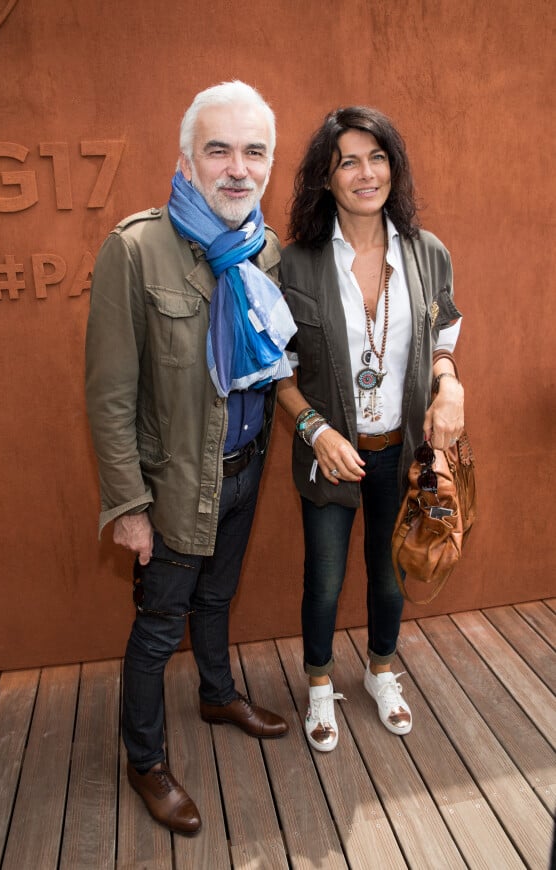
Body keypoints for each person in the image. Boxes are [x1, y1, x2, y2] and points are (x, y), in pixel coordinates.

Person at [85, 81, 296, 834]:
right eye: (219, 149)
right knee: (155, 630)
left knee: (216, 601)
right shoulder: (134, 249)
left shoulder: (265, 249)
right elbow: (109, 398)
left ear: (269, 164)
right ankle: (146, 762)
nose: (237, 168)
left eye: (253, 151)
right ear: (186, 159)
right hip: (171, 490)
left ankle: (216, 693)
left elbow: (272, 367)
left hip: (244, 474)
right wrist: (129, 510)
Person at [277, 107, 464, 751]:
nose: (366, 172)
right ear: (324, 178)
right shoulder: (294, 261)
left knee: (390, 574)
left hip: (402, 454)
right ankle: (321, 686)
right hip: (331, 455)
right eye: (347, 161)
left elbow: (443, 338)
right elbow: (278, 368)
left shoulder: (426, 251)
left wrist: (452, 384)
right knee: (324, 579)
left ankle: (383, 670)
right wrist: (314, 431)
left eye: (377, 156)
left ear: (394, 166)